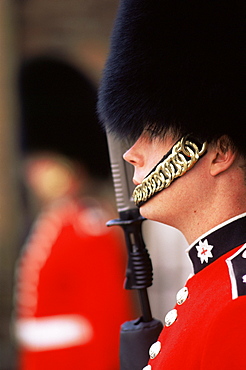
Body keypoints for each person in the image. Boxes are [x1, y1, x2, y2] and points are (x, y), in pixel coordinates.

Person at [97, 0, 246, 369]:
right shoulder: (214, 284)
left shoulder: (237, 301)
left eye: (154, 131)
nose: (131, 152)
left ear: (219, 152)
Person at [13, 56, 135, 370]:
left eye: (45, 160)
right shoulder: (54, 221)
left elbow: (109, 323)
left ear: (70, 164)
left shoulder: (89, 225)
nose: (33, 172)